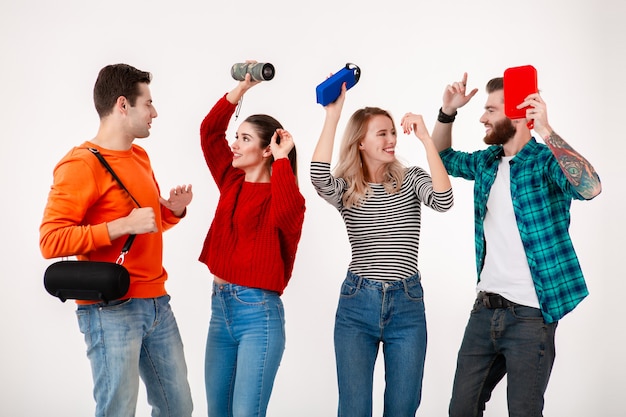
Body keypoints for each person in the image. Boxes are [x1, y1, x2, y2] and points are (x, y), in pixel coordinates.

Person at [431, 73, 602, 417]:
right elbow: (442, 156)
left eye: (491, 110)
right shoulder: (487, 162)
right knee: (461, 409)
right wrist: (447, 112)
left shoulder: (545, 162)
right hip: (484, 311)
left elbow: (590, 187)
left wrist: (547, 129)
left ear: (519, 115)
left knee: (524, 411)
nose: (482, 117)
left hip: (530, 315)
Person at [39, 63, 194, 417]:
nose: (155, 113)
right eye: (148, 104)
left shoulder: (139, 156)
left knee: (178, 408)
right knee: (118, 410)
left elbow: (144, 228)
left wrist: (172, 212)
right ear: (123, 105)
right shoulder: (81, 165)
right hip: (111, 309)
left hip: (157, 302)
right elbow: (51, 240)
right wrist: (121, 224)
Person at [310, 84, 454, 417]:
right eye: (382, 134)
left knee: (402, 409)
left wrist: (426, 140)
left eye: (393, 132)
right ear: (360, 142)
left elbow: (444, 201)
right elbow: (319, 177)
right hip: (357, 305)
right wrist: (333, 114)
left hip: (407, 304)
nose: (391, 139)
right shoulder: (347, 189)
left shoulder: (411, 179)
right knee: (354, 410)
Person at [198, 65, 306, 417]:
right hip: (221, 310)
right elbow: (209, 132)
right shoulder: (231, 180)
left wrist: (282, 159)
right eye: (238, 136)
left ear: (265, 150)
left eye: (245, 138)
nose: (235, 143)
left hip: (258, 314)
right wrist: (239, 91)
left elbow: (291, 217)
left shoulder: (282, 193)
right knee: (218, 412)